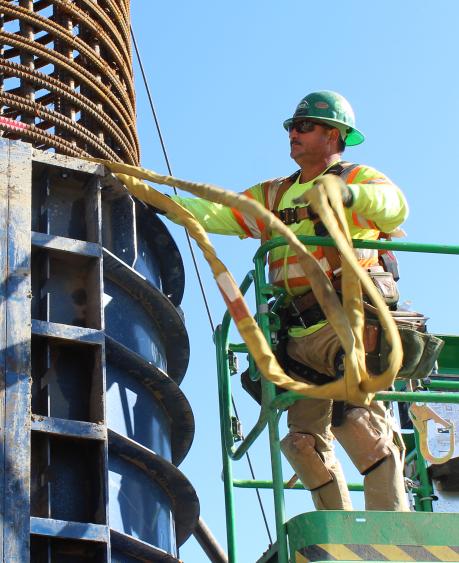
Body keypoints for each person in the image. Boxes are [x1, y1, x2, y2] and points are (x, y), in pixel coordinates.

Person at [163, 91, 410, 512]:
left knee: (358, 422)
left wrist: (347, 197)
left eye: (304, 126)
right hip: (296, 332)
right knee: (303, 445)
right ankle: (343, 537)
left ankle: (393, 533)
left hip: (345, 320)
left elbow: (395, 209)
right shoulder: (274, 195)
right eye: (292, 127)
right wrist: (157, 200)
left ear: (334, 135)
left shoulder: (357, 179)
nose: (292, 134)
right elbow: (215, 213)